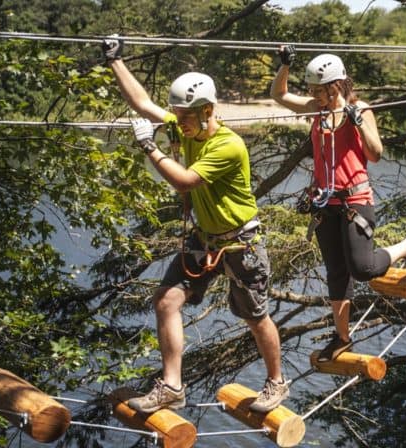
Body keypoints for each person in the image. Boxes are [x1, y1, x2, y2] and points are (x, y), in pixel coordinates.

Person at [102, 37, 288, 414]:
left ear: (207, 110)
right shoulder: (183, 125)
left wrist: (149, 147)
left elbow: (185, 180)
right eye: (177, 116)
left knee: (255, 316)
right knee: (167, 301)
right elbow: (142, 103)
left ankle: (276, 382)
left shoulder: (229, 145)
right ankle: (171, 386)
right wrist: (114, 61)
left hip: (240, 243)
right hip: (204, 239)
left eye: (185, 117)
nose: (178, 123)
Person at [270, 46, 406, 363]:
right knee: (337, 273)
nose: (313, 95)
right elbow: (279, 95)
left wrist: (358, 123)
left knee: (363, 268)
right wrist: (285, 65)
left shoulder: (360, 109)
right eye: (311, 90)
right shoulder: (316, 109)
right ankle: (342, 337)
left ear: (335, 86)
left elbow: (375, 153)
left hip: (355, 200)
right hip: (325, 202)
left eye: (318, 90)